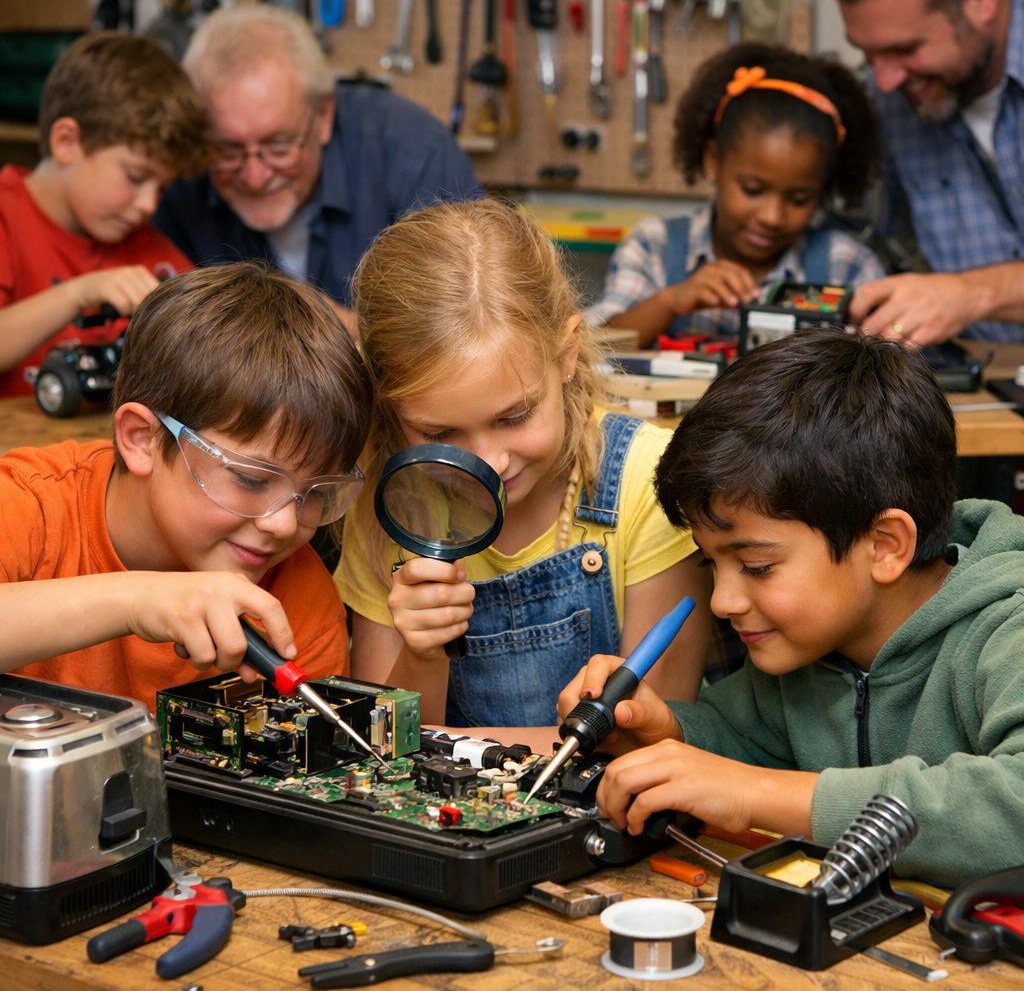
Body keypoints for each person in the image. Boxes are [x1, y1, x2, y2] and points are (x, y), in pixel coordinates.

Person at [558, 328, 1024, 888]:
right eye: (711, 565)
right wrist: (667, 733)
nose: (724, 602)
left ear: (884, 546)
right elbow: (740, 739)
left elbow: (1012, 804)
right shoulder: (808, 652)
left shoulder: (1007, 628)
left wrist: (752, 794)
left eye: (756, 567)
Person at [336, 199, 713, 740]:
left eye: (514, 416)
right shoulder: (392, 504)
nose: (488, 463)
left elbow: (647, 738)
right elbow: (384, 748)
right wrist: (423, 654)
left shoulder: (646, 481)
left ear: (566, 352)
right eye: (439, 435)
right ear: (389, 410)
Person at [0, 263, 371, 712]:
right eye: (251, 479)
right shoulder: (30, 505)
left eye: (316, 493)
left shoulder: (297, 605)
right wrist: (137, 600)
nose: (284, 523)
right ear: (143, 439)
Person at [153, 3, 483, 327]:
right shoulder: (181, 178)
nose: (255, 177)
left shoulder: (413, 155)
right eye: (227, 150)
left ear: (323, 115)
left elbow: (471, 331)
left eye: (279, 146)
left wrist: (349, 333)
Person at [585, 43, 885, 348]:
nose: (772, 217)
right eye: (752, 190)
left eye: (799, 199)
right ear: (713, 161)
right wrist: (670, 301)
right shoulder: (655, 245)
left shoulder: (846, 266)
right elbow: (592, 352)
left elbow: (887, 374)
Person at [0, 31, 209, 399]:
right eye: (135, 177)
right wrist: (79, 294)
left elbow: (210, 326)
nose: (149, 205)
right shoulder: (7, 218)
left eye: (162, 188)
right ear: (68, 142)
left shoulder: (141, 241)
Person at [824, 0, 1024, 345]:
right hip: (984, 379)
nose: (884, 82)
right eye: (867, 54)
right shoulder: (892, 93)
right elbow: (895, 245)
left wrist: (971, 294)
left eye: (904, 49)